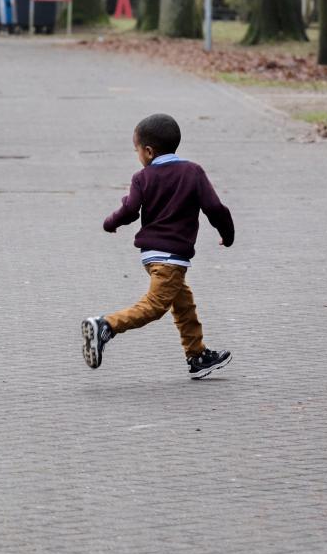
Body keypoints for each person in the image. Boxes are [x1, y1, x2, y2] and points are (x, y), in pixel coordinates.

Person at [83, 113, 235, 379]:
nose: (138, 155)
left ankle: (197, 355)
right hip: (172, 256)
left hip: (152, 255)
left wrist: (110, 223)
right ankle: (106, 325)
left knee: (183, 303)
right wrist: (227, 233)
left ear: (149, 151)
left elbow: (130, 210)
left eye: (137, 150)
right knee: (154, 306)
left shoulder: (142, 177)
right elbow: (214, 208)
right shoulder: (193, 172)